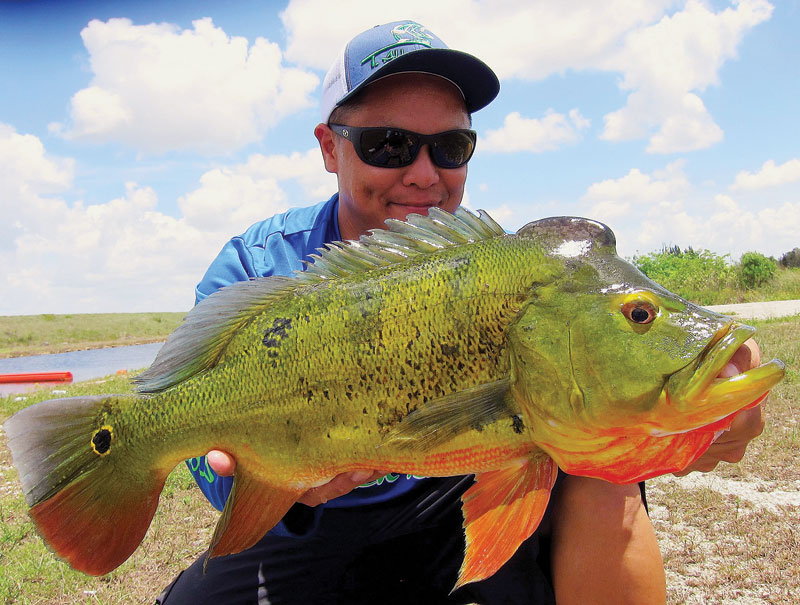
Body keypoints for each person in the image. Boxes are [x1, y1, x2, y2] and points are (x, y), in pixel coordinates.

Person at [156, 20, 765, 605]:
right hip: (315, 521)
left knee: (595, 466)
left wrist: (683, 410)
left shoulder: (504, 271)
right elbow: (189, 430)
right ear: (328, 148)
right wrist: (248, 479)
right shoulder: (259, 265)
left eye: (450, 147)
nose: (424, 175)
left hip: (457, 490)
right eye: (388, 144)